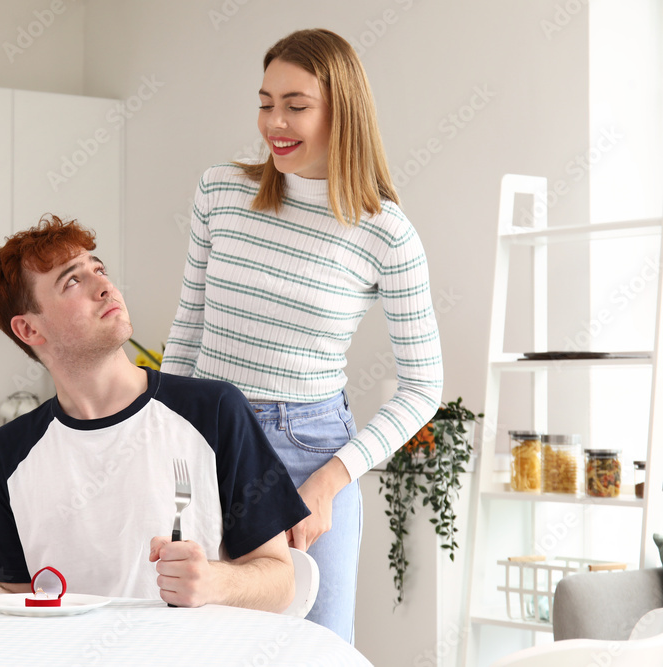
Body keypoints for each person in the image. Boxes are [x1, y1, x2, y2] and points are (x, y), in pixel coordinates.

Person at [161, 29, 443, 639]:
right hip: (207, 445)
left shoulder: (385, 234)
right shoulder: (221, 193)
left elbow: (423, 387)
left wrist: (329, 481)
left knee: (314, 648)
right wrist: (160, 448)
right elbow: (186, 334)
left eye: (296, 104)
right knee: (200, 642)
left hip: (310, 455)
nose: (275, 122)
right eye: (265, 102)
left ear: (342, 109)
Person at [0, 215, 310, 613]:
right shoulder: (6, 454)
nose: (104, 286)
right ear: (29, 330)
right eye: (73, 281)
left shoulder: (214, 411)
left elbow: (281, 581)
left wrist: (213, 580)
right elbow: (17, 603)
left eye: (99, 269)